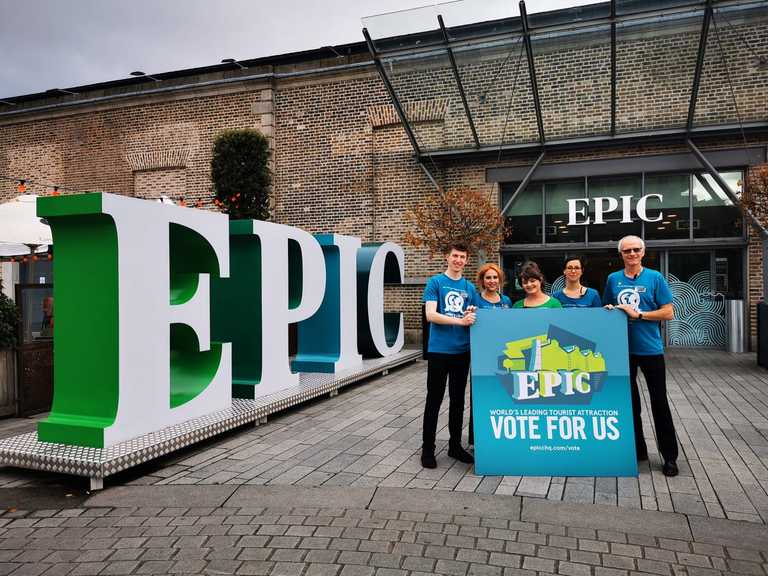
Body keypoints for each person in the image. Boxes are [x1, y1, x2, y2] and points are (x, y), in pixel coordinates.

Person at [603, 234, 678, 477]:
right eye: (627, 251)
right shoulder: (613, 279)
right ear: (621, 254)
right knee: (630, 404)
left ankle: (669, 457)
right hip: (622, 351)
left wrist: (640, 315)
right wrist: (610, 310)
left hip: (650, 350)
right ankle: (638, 450)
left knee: (659, 403)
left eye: (636, 250)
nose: (632, 254)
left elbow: (668, 313)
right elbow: (607, 309)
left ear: (643, 252)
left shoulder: (655, 278)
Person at [421, 242, 477, 468]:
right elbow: (431, 315)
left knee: (457, 401)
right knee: (433, 400)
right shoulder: (435, 282)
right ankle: (428, 449)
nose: (458, 260)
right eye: (455, 256)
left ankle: (455, 446)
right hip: (438, 351)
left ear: (466, 260)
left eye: (462, 257)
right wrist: (459, 320)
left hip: (461, 352)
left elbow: (471, 315)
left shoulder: (469, 287)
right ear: (447, 257)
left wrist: (471, 314)